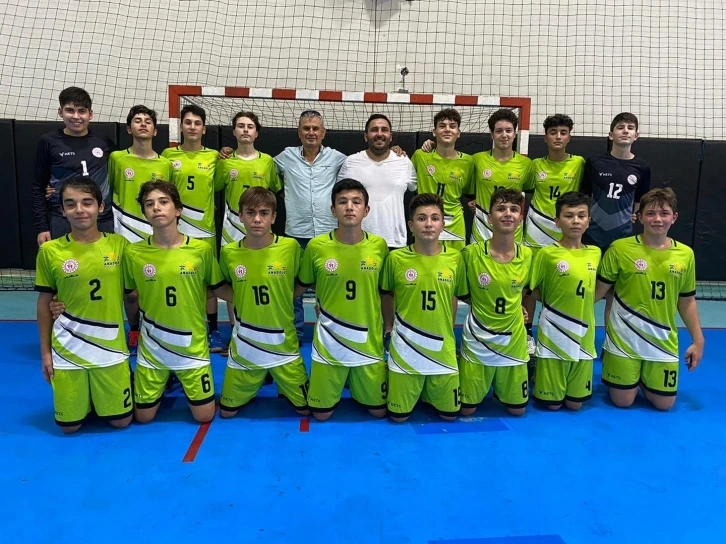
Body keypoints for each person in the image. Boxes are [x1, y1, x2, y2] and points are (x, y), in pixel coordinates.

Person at [35, 176, 132, 433]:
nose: (79, 210)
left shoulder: (120, 245)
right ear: (62, 210)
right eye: (71, 204)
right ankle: (86, 398)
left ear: (101, 207)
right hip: (68, 349)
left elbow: (135, 293)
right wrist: (45, 354)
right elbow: (44, 303)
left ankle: (102, 394)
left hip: (110, 348)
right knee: (70, 428)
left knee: (121, 422)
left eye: (87, 202)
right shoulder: (50, 251)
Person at [124, 180, 226, 423]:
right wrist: (134, 329)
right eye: (149, 204)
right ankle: (133, 378)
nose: (156, 208)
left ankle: (177, 377)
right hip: (153, 347)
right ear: (144, 213)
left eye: (163, 202)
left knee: (204, 416)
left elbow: (216, 290)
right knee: (143, 417)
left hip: (191, 346)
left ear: (178, 210)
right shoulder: (133, 253)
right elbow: (130, 296)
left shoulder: (201, 250)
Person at [595, 188, 704, 411]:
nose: (657, 219)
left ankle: (642, 379)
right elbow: (597, 292)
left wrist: (698, 340)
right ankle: (625, 373)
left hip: (662, 341)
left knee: (665, 405)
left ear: (674, 217)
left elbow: (687, 301)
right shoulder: (619, 249)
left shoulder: (686, 254)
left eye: (664, 213)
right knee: (623, 401)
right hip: (624, 339)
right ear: (640, 217)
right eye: (651, 213)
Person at [295, 179, 389, 421]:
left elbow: (386, 291)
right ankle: (342, 379)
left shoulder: (379, 246)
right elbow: (301, 286)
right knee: (321, 415)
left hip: (368, 343)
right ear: (332, 209)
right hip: (330, 343)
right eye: (342, 202)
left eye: (356, 202)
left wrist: (389, 327)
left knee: (379, 412)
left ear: (366, 210)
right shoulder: (316, 247)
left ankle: (355, 381)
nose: (349, 207)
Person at [218, 187, 309, 417]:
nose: (257, 219)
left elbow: (303, 282)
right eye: (250, 213)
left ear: (274, 217)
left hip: (284, 346)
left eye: (264, 213)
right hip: (245, 346)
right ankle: (255, 381)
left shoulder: (290, 247)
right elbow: (220, 287)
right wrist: (243, 297)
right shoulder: (229, 253)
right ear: (240, 215)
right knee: (227, 412)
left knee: (306, 409)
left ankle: (281, 383)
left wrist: (284, 296)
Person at [381, 193, 468, 422]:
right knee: (398, 418)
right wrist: (388, 327)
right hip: (406, 348)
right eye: (421, 218)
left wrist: (450, 331)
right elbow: (387, 294)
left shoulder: (456, 259)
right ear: (411, 226)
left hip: (442, 349)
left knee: (450, 416)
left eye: (434, 218)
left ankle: (429, 392)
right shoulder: (396, 258)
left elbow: (453, 296)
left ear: (443, 224)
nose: (428, 224)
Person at [275, 110, 347, 345]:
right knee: (294, 289)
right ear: (299, 132)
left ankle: (330, 334)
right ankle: (295, 335)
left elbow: (366, 162)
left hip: (328, 234)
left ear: (323, 132)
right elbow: (260, 165)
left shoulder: (337, 158)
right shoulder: (285, 157)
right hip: (296, 234)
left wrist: (396, 151)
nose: (311, 132)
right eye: (306, 128)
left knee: (329, 287)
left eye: (315, 128)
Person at [459, 188, 532, 416]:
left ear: (520, 218)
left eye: (513, 209)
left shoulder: (528, 255)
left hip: (512, 342)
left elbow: (526, 290)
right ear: (489, 218)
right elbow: (461, 292)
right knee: (466, 411)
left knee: (518, 411)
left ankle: (505, 385)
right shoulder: (470, 254)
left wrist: (517, 306)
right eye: (501, 209)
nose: (508, 214)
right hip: (478, 340)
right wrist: (483, 303)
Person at [109, 105, 174, 355]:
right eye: (138, 120)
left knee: (156, 285)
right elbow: (108, 190)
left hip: (156, 233)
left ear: (155, 131)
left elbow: (169, 199)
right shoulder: (117, 159)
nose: (143, 124)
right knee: (131, 293)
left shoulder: (165, 164)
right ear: (129, 128)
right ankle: (134, 329)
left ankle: (158, 332)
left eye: (148, 121)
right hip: (125, 233)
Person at [530, 192, 600, 411]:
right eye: (569, 216)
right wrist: (552, 301)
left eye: (581, 215)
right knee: (552, 405)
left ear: (588, 221)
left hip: (584, 333)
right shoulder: (547, 254)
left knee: (575, 404)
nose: (575, 221)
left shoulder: (595, 253)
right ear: (557, 221)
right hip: (554, 332)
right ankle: (538, 374)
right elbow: (530, 290)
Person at [522, 114, 586, 357]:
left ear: (569, 137)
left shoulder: (579, 163)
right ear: (545, 137)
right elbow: (522, 191)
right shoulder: (535, 165)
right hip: (536, 233)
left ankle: (561, 329)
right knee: (530, 285)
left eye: (563, 132)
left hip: (565, 232)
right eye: (553, 132)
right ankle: (527, 332)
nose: (558, 137)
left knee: (563, 280)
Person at [162, 105, 224, 353]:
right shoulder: (168, 155)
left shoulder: (214, 157)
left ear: (204, 129)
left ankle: (213, 331)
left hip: (204, 231)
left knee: (208, 285)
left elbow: (219, 187)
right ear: (181, 126)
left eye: (197, 123)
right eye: (188, 122)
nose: (192, 127)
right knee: (177, 279)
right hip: (176, 231)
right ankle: (178, 327)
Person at [581, 112, 651, 323]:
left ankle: (611, 337)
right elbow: (584, 195)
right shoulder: (595, 162)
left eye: (630, 128)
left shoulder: (642, 167)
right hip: (591, 236)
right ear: (611, 134)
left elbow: (640, 200)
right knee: (584, 287)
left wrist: (632, 215)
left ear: (636, 136)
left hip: (621, 238)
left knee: (615, 292)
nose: (625, 131)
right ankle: (578, 331)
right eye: (620, 127)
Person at [33, 87, 115, 244]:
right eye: (70, 110)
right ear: (60, 112)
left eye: (82, 111)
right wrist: (42, 227)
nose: (76, 116)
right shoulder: (49, 142)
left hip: (102, 218)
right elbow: (38, 187)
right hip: (64, 219)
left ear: (90, 114)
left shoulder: (103, 141)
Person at [337, 114, 417, 250]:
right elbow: (339, 199)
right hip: (358, 241)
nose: (379, 134)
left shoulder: (404, 162)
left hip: (394, 242)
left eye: (384, 130)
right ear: (365, 136)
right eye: (374, 130)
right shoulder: (351, 162)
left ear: (390, 136)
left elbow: (415, 189)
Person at [411, 108, 474, 250]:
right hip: (426, 220)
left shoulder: (468, 162)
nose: (447, 129)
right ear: (434, 132)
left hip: (455, 221)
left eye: (452, 126)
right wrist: (396, 149)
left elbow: (469, 193)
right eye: (442, 126)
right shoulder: (420, 156)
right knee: (424, 259)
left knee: (455, 260)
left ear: (458, 133)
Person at [468, 108, 535, 245]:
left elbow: (529, 192)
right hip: (482, 229)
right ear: (492, 135)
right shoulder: (476, 160)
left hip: (512, 231)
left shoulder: (526, 164)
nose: (504, 135)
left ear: (514, 134)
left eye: (508, 130)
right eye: (499, 131)